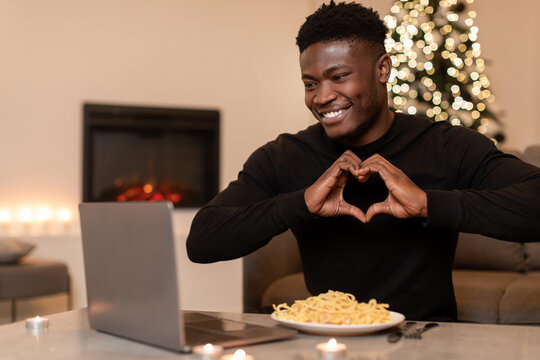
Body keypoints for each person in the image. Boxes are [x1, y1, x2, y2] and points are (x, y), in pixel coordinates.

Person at [186, 1, 540, 321]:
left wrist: (429, 203)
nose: (322, 97)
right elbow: (202, 241)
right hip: (327, 339)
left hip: (427, 340)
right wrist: (300, 203)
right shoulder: (284, 156)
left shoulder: (445, 145)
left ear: (382, 69)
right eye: (310, 84)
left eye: (339, 77)